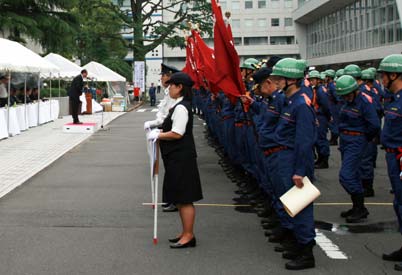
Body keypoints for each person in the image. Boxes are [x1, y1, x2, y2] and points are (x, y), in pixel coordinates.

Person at [269, 58, 317, 270]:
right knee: (291, 205)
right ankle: (299, 245)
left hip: (293, 160)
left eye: (280, 78)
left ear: (292, 80)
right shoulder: (290, 101)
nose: (276, 81)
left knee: (301, 207)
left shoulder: (301, 105)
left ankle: (306, 253)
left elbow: (305, 142)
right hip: (284, 158)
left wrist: (300, 171)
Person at [147, 72, 203, 249]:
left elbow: (177, 132)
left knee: (185, 198)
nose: (169, 87)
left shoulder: (181, 108)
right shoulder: (177, 105)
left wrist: (159, 134)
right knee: (179, 197)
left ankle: (189, 235)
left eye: (172, 85)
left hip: (182, 158)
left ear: (180, 88)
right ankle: (185, 232)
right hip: (175, 157)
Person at [336, 75, 380, 223]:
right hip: (346, 140)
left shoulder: (364, 101)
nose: (346, 98)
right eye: (343, 95)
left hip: (357, 140)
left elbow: (374, 125)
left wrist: (363, 139)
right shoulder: (346, 102)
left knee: (346, 176)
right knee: (353, 175)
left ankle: (360, 207)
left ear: (355, 91)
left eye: (348, 94)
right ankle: (357, 207)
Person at [144, 63, 180, 212]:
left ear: (169, 77)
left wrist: (156, 125)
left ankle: (174, 200)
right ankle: (169, 199)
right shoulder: (167, 93)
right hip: (164, 131)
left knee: (173, 170)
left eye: (163, 75)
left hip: (170, 132)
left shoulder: (174, 95)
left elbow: (167, 116)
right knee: (170, 169)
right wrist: (153, 123)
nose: (161, 77)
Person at [378, 54, 402, 271]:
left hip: (401, 157)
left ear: (394, 75)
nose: (381, 79)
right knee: (399, 204)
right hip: (393, 156)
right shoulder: (394, 99)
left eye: (384, 75)